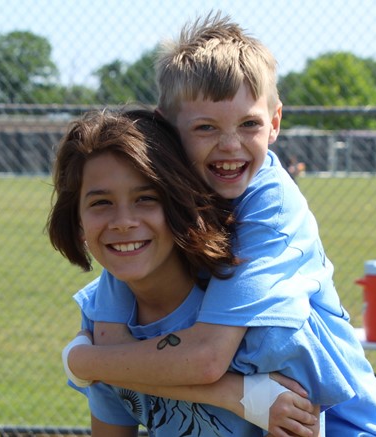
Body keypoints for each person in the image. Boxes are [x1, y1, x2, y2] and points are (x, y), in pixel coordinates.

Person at [64, 12, 376, 436]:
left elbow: (204, 358)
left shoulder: (271, 206)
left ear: (275, 123)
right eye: (205, 127)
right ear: (167, 127)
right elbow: (112, 344)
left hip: (344, 423)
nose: (231, 145)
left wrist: (79, 361)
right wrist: (237, 395)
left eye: (249, 124)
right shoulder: (167, 209)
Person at [48, 108, 319, 436]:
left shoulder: (259, 315)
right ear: (77, 222)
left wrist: (81, 361)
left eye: (146, 198)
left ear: (180, 203)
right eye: (100, 203)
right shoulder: (101, 321)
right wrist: (233, 394)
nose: (123, 222)